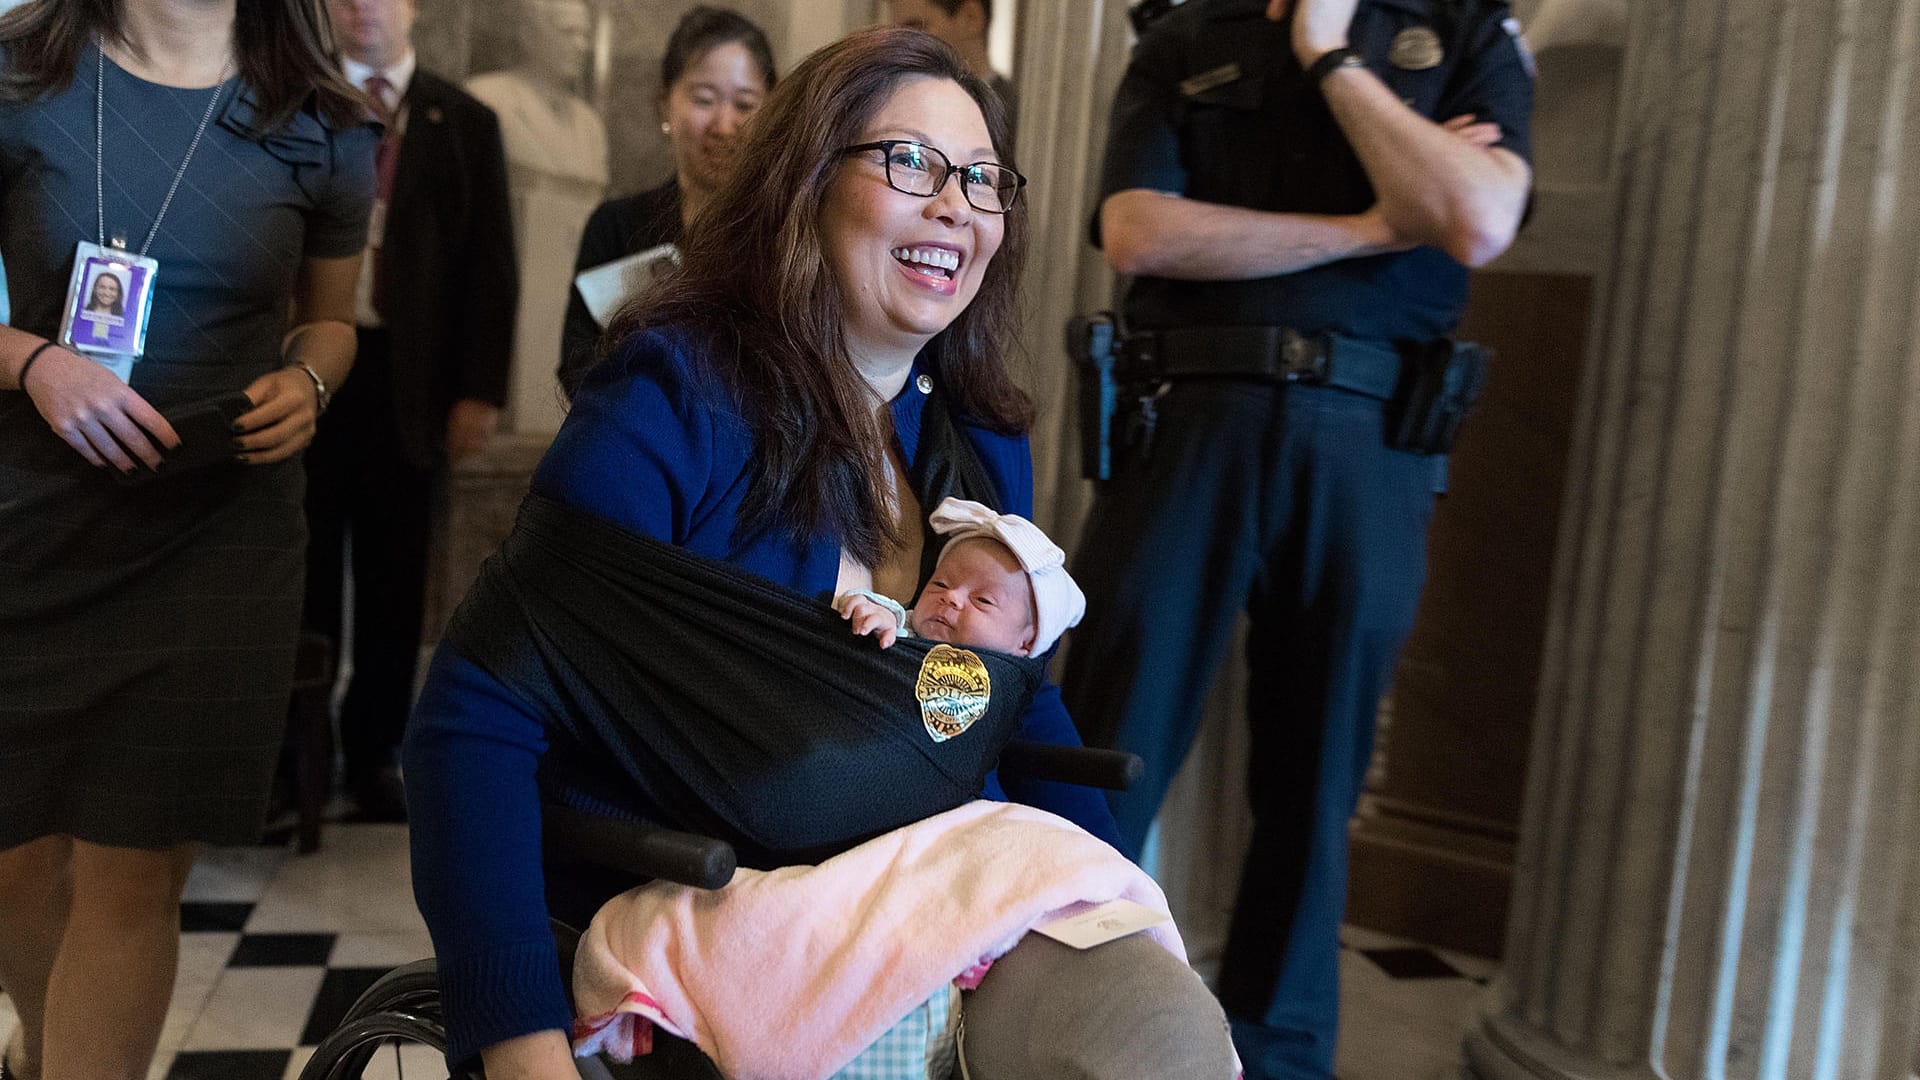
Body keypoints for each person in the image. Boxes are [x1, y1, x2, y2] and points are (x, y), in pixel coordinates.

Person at [404, 27, 1235, 1080]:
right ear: (805, 183)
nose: (955, 206)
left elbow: (998, 699)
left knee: (1153, 1040)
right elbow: (472, 719)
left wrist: (1102, 893)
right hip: (705, 909)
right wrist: (519, 1045)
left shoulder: (976, 439)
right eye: (911, 164)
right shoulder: (673, 402)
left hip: (917, 893)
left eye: (982, 179)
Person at [1058, 0, 1533, 1076]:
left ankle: (1278, 1058)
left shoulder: (1458, 31)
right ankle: (1034, 1025)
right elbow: (1139, 230)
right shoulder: (1187, 34)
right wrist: (1378, 223)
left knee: (1317, 786)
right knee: (1095, 755)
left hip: (1371, 439)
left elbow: (1479, 219)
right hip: (1185, 421)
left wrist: (1329, 54)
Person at [0, 0, 373, 1075]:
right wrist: (34, 361)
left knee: (132, 867)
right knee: (17, 860)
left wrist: (309, 379)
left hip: (220, 531)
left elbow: (333, 319)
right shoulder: (23, 73)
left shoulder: (324, 117)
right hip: (34, 518)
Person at [304, 0, 517, 821]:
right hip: (310, 369)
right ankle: (297, 759)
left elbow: (491, 269)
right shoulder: (304, 100)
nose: (363, 8)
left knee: (396, 580)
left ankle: (371, 757)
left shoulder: (461, 119)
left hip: (413, 378)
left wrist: (480, 391)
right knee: (307, 570)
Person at [557, 5, 773, 395]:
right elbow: (578, 366)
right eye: (704, 99)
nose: (724, 126)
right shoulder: (616, 226)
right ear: (664, 104)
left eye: (744, 105)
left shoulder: (785, 232)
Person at [467, 0, 605, 434]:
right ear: (529, 36)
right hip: (509, 284)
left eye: (585, 34)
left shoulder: (590, 123)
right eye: (567, 32)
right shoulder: (487, 101)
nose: (580, 45)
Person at [837, 496, 1085, 657]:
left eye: (983, 600)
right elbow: (892, 619)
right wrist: (873, 615)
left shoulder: (1010, 685)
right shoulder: (903, 629)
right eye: (940, 583)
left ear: (1026, 642)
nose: (951, 596)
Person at [883, 0, 1016, 145]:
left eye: (916, 29)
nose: (903, 46)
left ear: (970, 17)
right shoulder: (896, 105)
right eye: (899, 35)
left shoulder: (1018, 117)